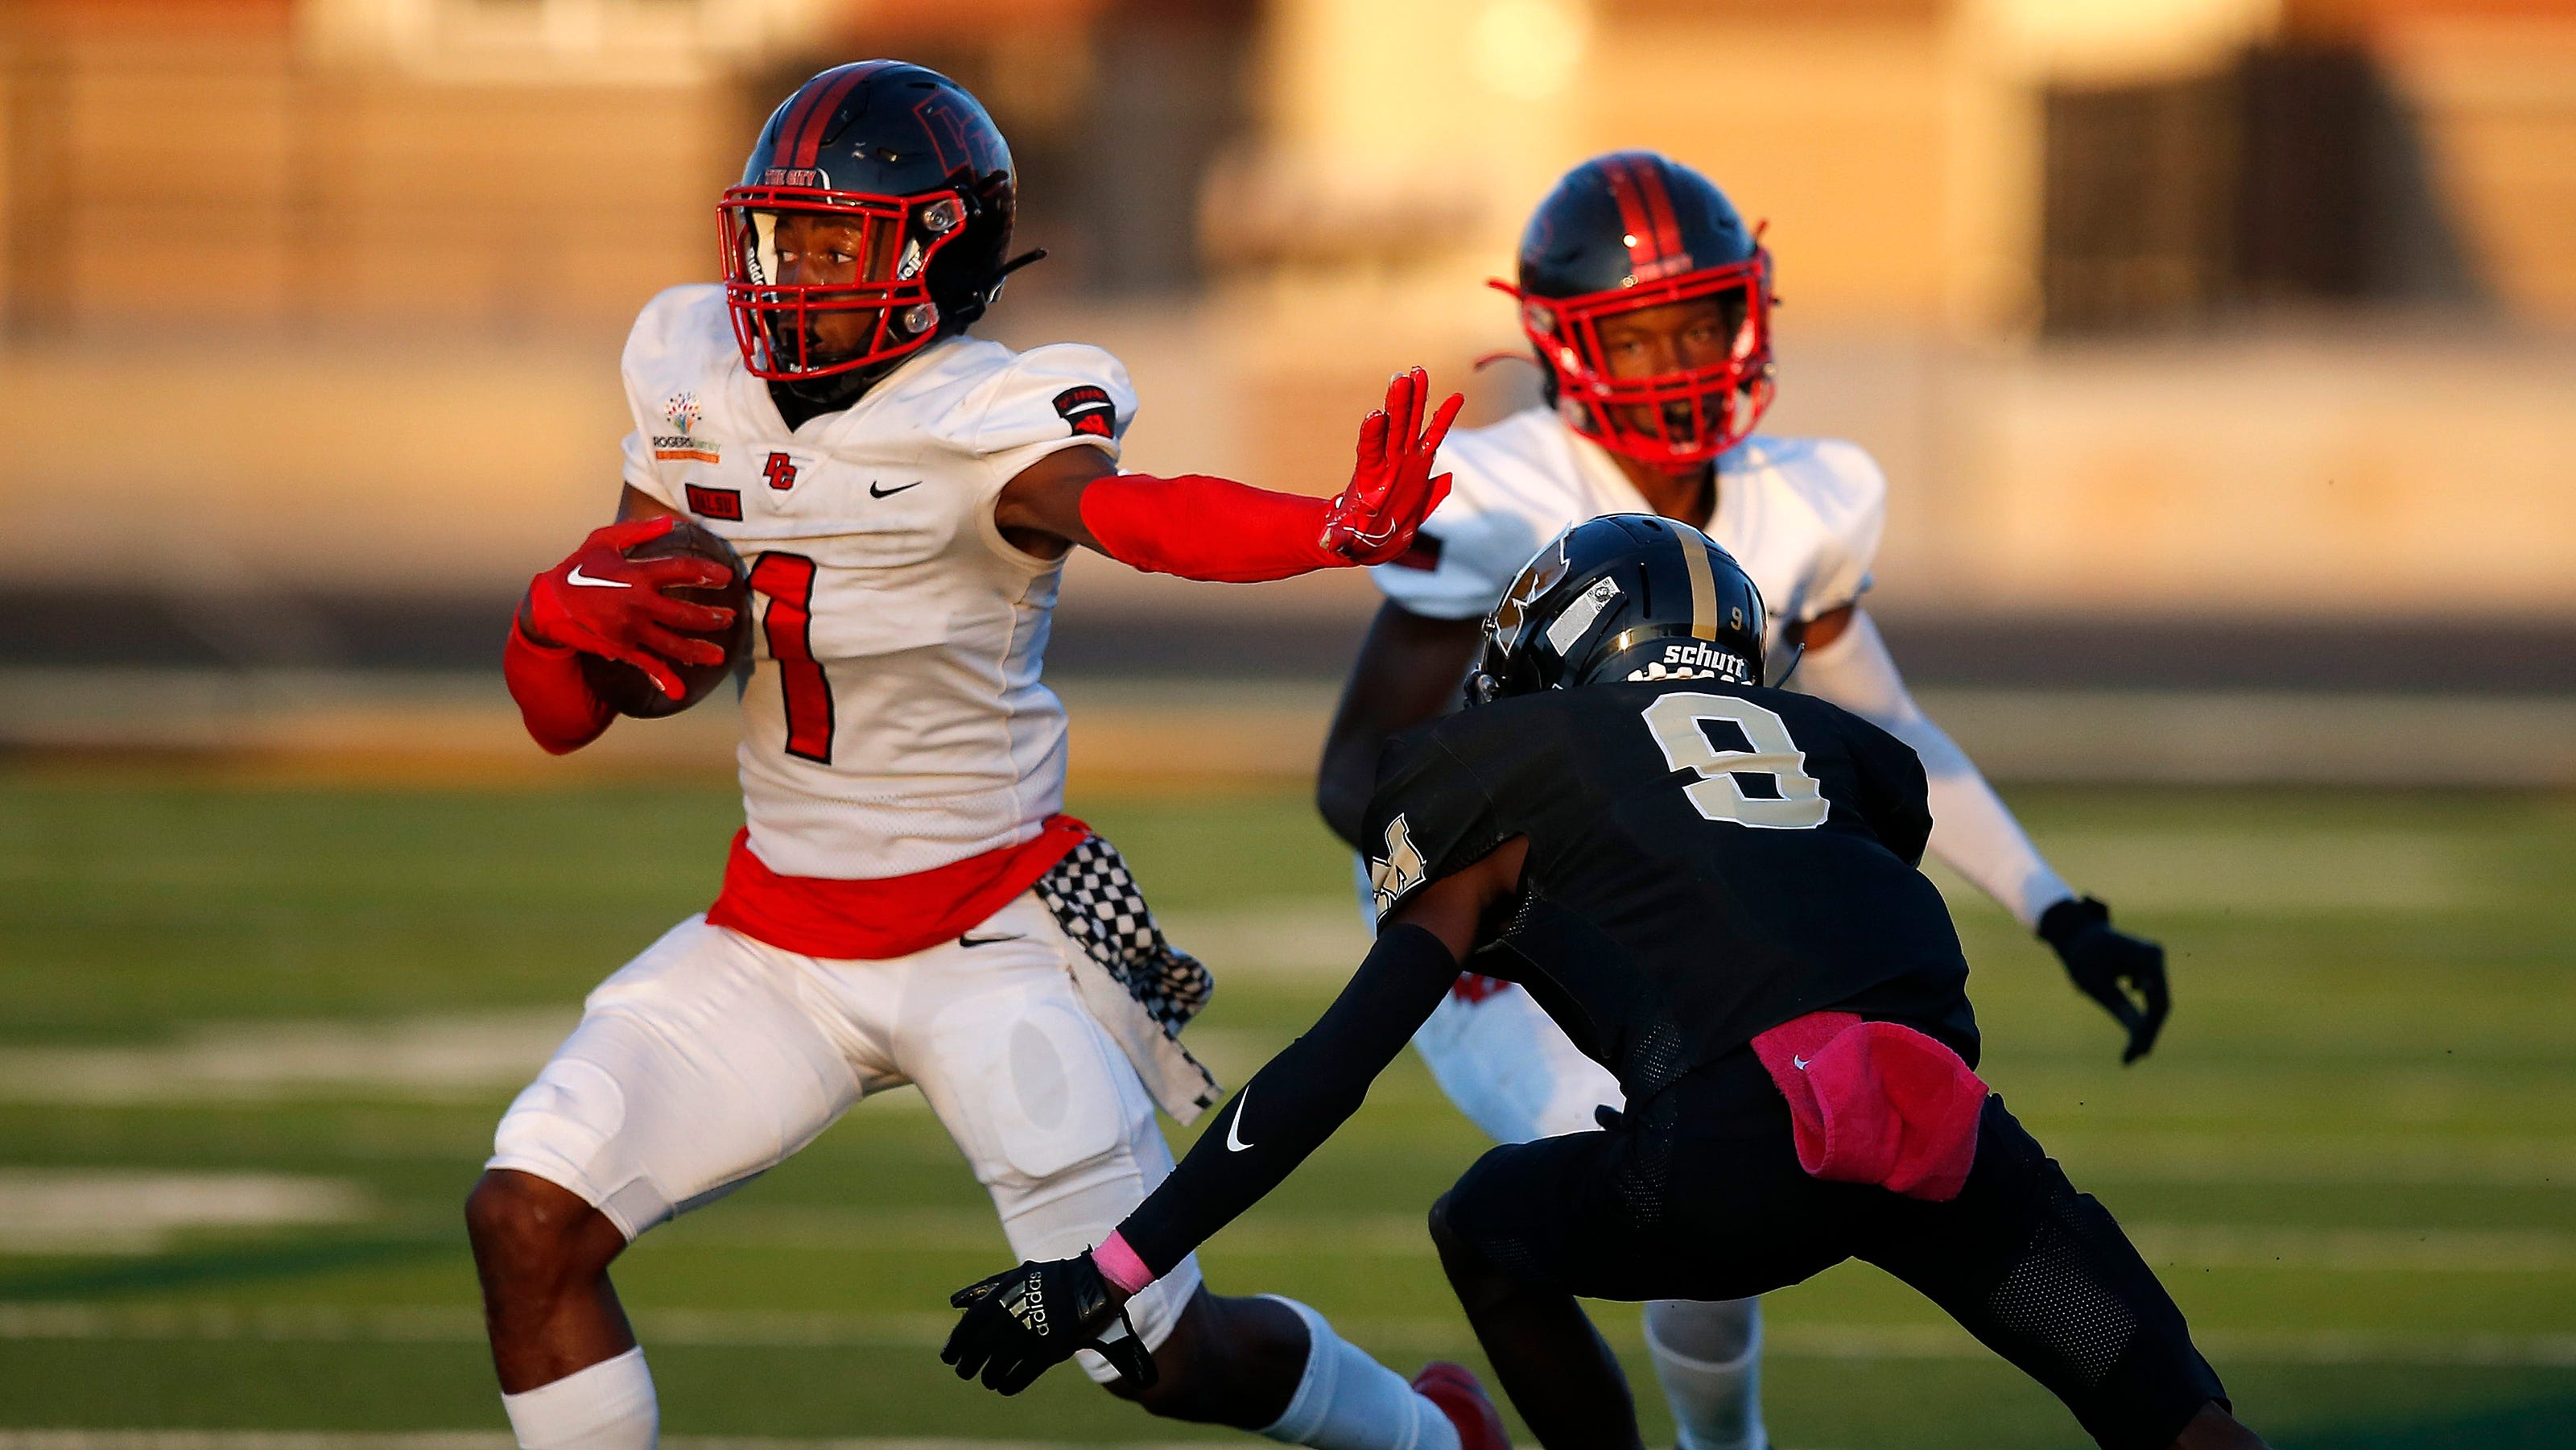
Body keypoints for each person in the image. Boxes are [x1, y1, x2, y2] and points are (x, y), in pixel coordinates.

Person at [466, 60, 1509, 1450]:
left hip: (989, 937)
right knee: (526, 1219)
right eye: (784, 236)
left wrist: (1321, 527)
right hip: (774, 935)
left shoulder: (987, 417)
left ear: (939, 255)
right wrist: (552, 620)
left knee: (1152, 1351)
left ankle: (1433, 1438)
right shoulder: (688, 365)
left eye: (838, 243)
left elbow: (1138, 516)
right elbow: (616, 690)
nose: (793, 275)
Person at [944, 516, 2266, 1450]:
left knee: (1486, 1225)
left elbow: (1332, 1066)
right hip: (1940, 1124)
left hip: (1739, 1149)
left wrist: (1110, 1267)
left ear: (1553, 658)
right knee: (2177, 1418)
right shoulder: (1849, 750)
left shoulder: (1505, 766)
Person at [1312, 151, 2173, 1450]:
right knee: (1662, 1158)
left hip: (1714, 928)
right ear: (1562, 344)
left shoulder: (1807, 499)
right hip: (1524, 938)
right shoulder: (1497, 500)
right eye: (1636, 335)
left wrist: (2059, 910)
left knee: (1737, 1161)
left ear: (1749, 313)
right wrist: (1513, 889)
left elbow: (1894, 734)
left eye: (1699, 322)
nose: (1676, 360)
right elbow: (1352, 777)